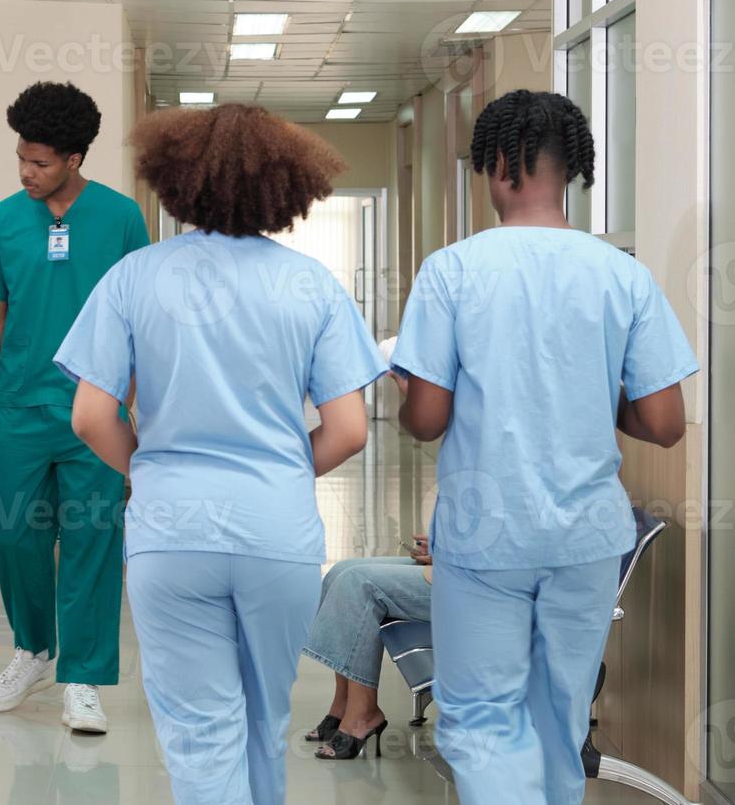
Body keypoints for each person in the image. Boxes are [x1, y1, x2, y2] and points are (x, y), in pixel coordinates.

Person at [56, 103, 386, 804]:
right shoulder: (312, 285)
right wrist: (283, 473)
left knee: (202, 735)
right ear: (287, 185)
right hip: (278, 532)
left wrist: (149, 468)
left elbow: (89, 416)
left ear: (175, 182)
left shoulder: (134, 278)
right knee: (265, 723)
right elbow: (350, 429)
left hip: (173, 532)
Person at [393, 91, 698, 805]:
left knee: (481, 721)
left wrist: (409, 387)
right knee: (559, 722)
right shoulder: (623, 274)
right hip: (586, 539)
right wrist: (589, 392)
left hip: (486, 535)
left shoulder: (452, 272)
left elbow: (427, 420)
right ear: (570, 171)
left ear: (499, 164)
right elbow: (663, 421)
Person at [0, 81, 150, 734]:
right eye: (22, 157)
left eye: (40, 162)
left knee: (93, 539)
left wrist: (130, 405)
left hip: (97, 411)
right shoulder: (3, 219)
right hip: (20, 406)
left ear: (74, 159)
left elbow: (140, 317)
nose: (27, 171)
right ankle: (35, 648)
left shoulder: (121, 216)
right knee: (12, 533)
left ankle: (83, 676)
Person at [302, 536, 433, 760]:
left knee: (356, 583)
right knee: (341, 571)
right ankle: (343, 703)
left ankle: (364, 713)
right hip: (453, 567)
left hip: (475, 582)